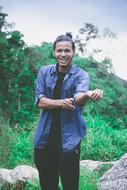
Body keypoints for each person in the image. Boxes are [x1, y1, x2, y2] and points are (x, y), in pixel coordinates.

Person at [34, 33, 103, 190]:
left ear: (73, 52)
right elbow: (39, 100)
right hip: (45, 137)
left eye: (67, 50)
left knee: (70, 184)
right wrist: (61, 103)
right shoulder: (44, 72)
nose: (63, 54)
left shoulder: (81, 75)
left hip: (70, 140)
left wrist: (86, 95)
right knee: (47, 184)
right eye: (59, 50)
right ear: (54, 52)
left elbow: (78, 97)